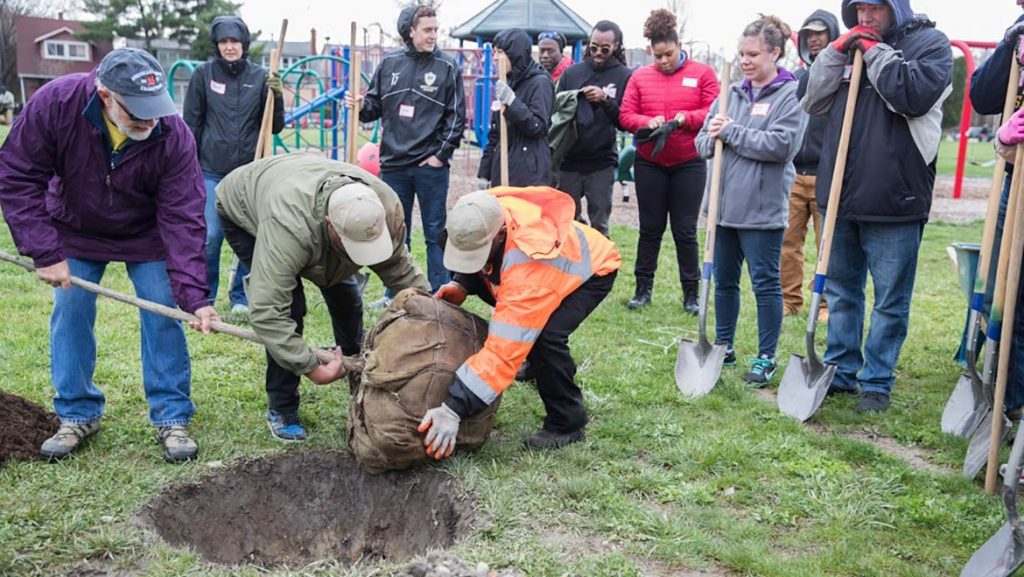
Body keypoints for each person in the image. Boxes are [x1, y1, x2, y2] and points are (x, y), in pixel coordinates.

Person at [0, 48, 218, 462]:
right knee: (72, 310)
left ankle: (171, 415)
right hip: (76, 226)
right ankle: (78, 413)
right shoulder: (56, 103)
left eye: (154, 111)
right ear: (104, 95)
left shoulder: (172, 133)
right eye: (137, 113)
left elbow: (184, 216)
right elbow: (18, 175)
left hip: (146, 232)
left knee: (161, 310)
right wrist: (44, 251)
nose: (150, 122)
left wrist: (195, 297)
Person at [216, 154, 431, 441]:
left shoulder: (385, 207)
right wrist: (310, 366)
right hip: (246, 207)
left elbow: (401, 272)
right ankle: (282, 408)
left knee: (346, 298)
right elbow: (268, 313)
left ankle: (358, 371)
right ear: (331, 224)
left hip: (307, 199)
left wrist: (432, 313)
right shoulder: (288, 227)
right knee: (290, 307)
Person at [803, 0, 952, 412]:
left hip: (895, 198)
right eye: (859, 9)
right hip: (840, 193)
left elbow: (913, 94)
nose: (865, 18)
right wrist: (835, 53)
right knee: (842, 292)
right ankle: (841, 370)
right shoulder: (847, 46)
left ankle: (877, 381)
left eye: (875, 8)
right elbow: (811, 100)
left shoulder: (931, 45)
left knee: (889, 300)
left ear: (896, 8)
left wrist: (875, 51)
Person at [421, 187, 620, 458]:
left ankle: (567, 423)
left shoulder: (528, 265)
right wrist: (462, 284)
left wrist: (453, 407)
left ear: (501, 234)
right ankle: (537, 367)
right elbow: (481, 258)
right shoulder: (479, 213)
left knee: (543, 338)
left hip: (592, 270)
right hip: (544, 266)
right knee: (529, 334)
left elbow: (505, 348)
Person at [695, 15, 806, 386]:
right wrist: (711, 137)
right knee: (724, 281)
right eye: (742, 53)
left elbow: (781, 146)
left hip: (761, 211)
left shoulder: (791, 95)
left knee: (765, 284)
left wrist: (732, 131)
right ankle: (724, 345)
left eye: (753, 54)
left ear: (775, 52)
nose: (745, 60)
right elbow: (700, 145)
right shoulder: (730, 93)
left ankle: (765, 356)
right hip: (722, 211)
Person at [344, 5, 466, 309]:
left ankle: (441, 294)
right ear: (410, 31)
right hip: (393, 165)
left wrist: (440, 156)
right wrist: (359, 104)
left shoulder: (447, 67)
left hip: (429, 166)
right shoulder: (389, 64)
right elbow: (372, 108)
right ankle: (395, 293)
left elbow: (456, 116)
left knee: (435, 230)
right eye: (427, 29)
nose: (433, 35)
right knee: (396, 232)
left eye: (436, 29)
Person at [619, 9, 719, 313]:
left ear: (679, 45)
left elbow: (713, 111)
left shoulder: (702, 74)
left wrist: (684, 118)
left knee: (685, 230)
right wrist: (647, 122)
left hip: (688, 162)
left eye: (668, 54)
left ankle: (691, 294)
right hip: (651, 162)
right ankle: (642, 289)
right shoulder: (640, 77)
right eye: (657, 55)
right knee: (650, 228)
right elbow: (625, 115)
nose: (663, 61)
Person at [184, 16, 284, 317]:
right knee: (211, 235)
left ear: (244, 45)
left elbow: (275, 126)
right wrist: (189, 166)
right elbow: (191, 123)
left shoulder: (260, 76)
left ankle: (241, 295)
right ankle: (206, 297)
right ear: (217, 45)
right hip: (211, 170)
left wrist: (276, 97)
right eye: (224, 42)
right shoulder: (203, 75)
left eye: (235, 42)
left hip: (249, 174)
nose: (230, 47)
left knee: (250, 235)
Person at [970, 3, 1024, 420]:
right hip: (1015, 176)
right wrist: (1009, 45)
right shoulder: (1019, 32)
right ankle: (1009, 398)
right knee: (1006, 289)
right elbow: (983, 96)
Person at [782, 10, 839, 319]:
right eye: (808, 34)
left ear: (832, 34)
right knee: (788, 242)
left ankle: (826, 305)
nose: (814, 38)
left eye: (820, 32)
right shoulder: (799, 79)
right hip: (793, 174)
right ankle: (789, 301)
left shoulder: (844, 76)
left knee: (826, 245)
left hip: (826, 174)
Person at [554, 20, 632, 237]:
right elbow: (556, 109)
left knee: (600, 227)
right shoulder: (572, 74)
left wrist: (605, 100)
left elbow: (624, 121)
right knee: (566, 223)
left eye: (605, 49)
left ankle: (600, 271)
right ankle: (571, 268)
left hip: (601, 162)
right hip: (569, 161)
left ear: (616, 46)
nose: (598, 52)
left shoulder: (624, 75)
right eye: (594, 47)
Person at [479, 29, 556, 188]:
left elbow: (538, 127)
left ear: (515, 53)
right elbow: (495, 134)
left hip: (529, 175)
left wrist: (512, 102)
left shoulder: (540, 83)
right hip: (502, 170)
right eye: (494, 52)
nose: (494, 58)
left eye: (500, 52)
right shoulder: (507, 83)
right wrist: (484, 173)